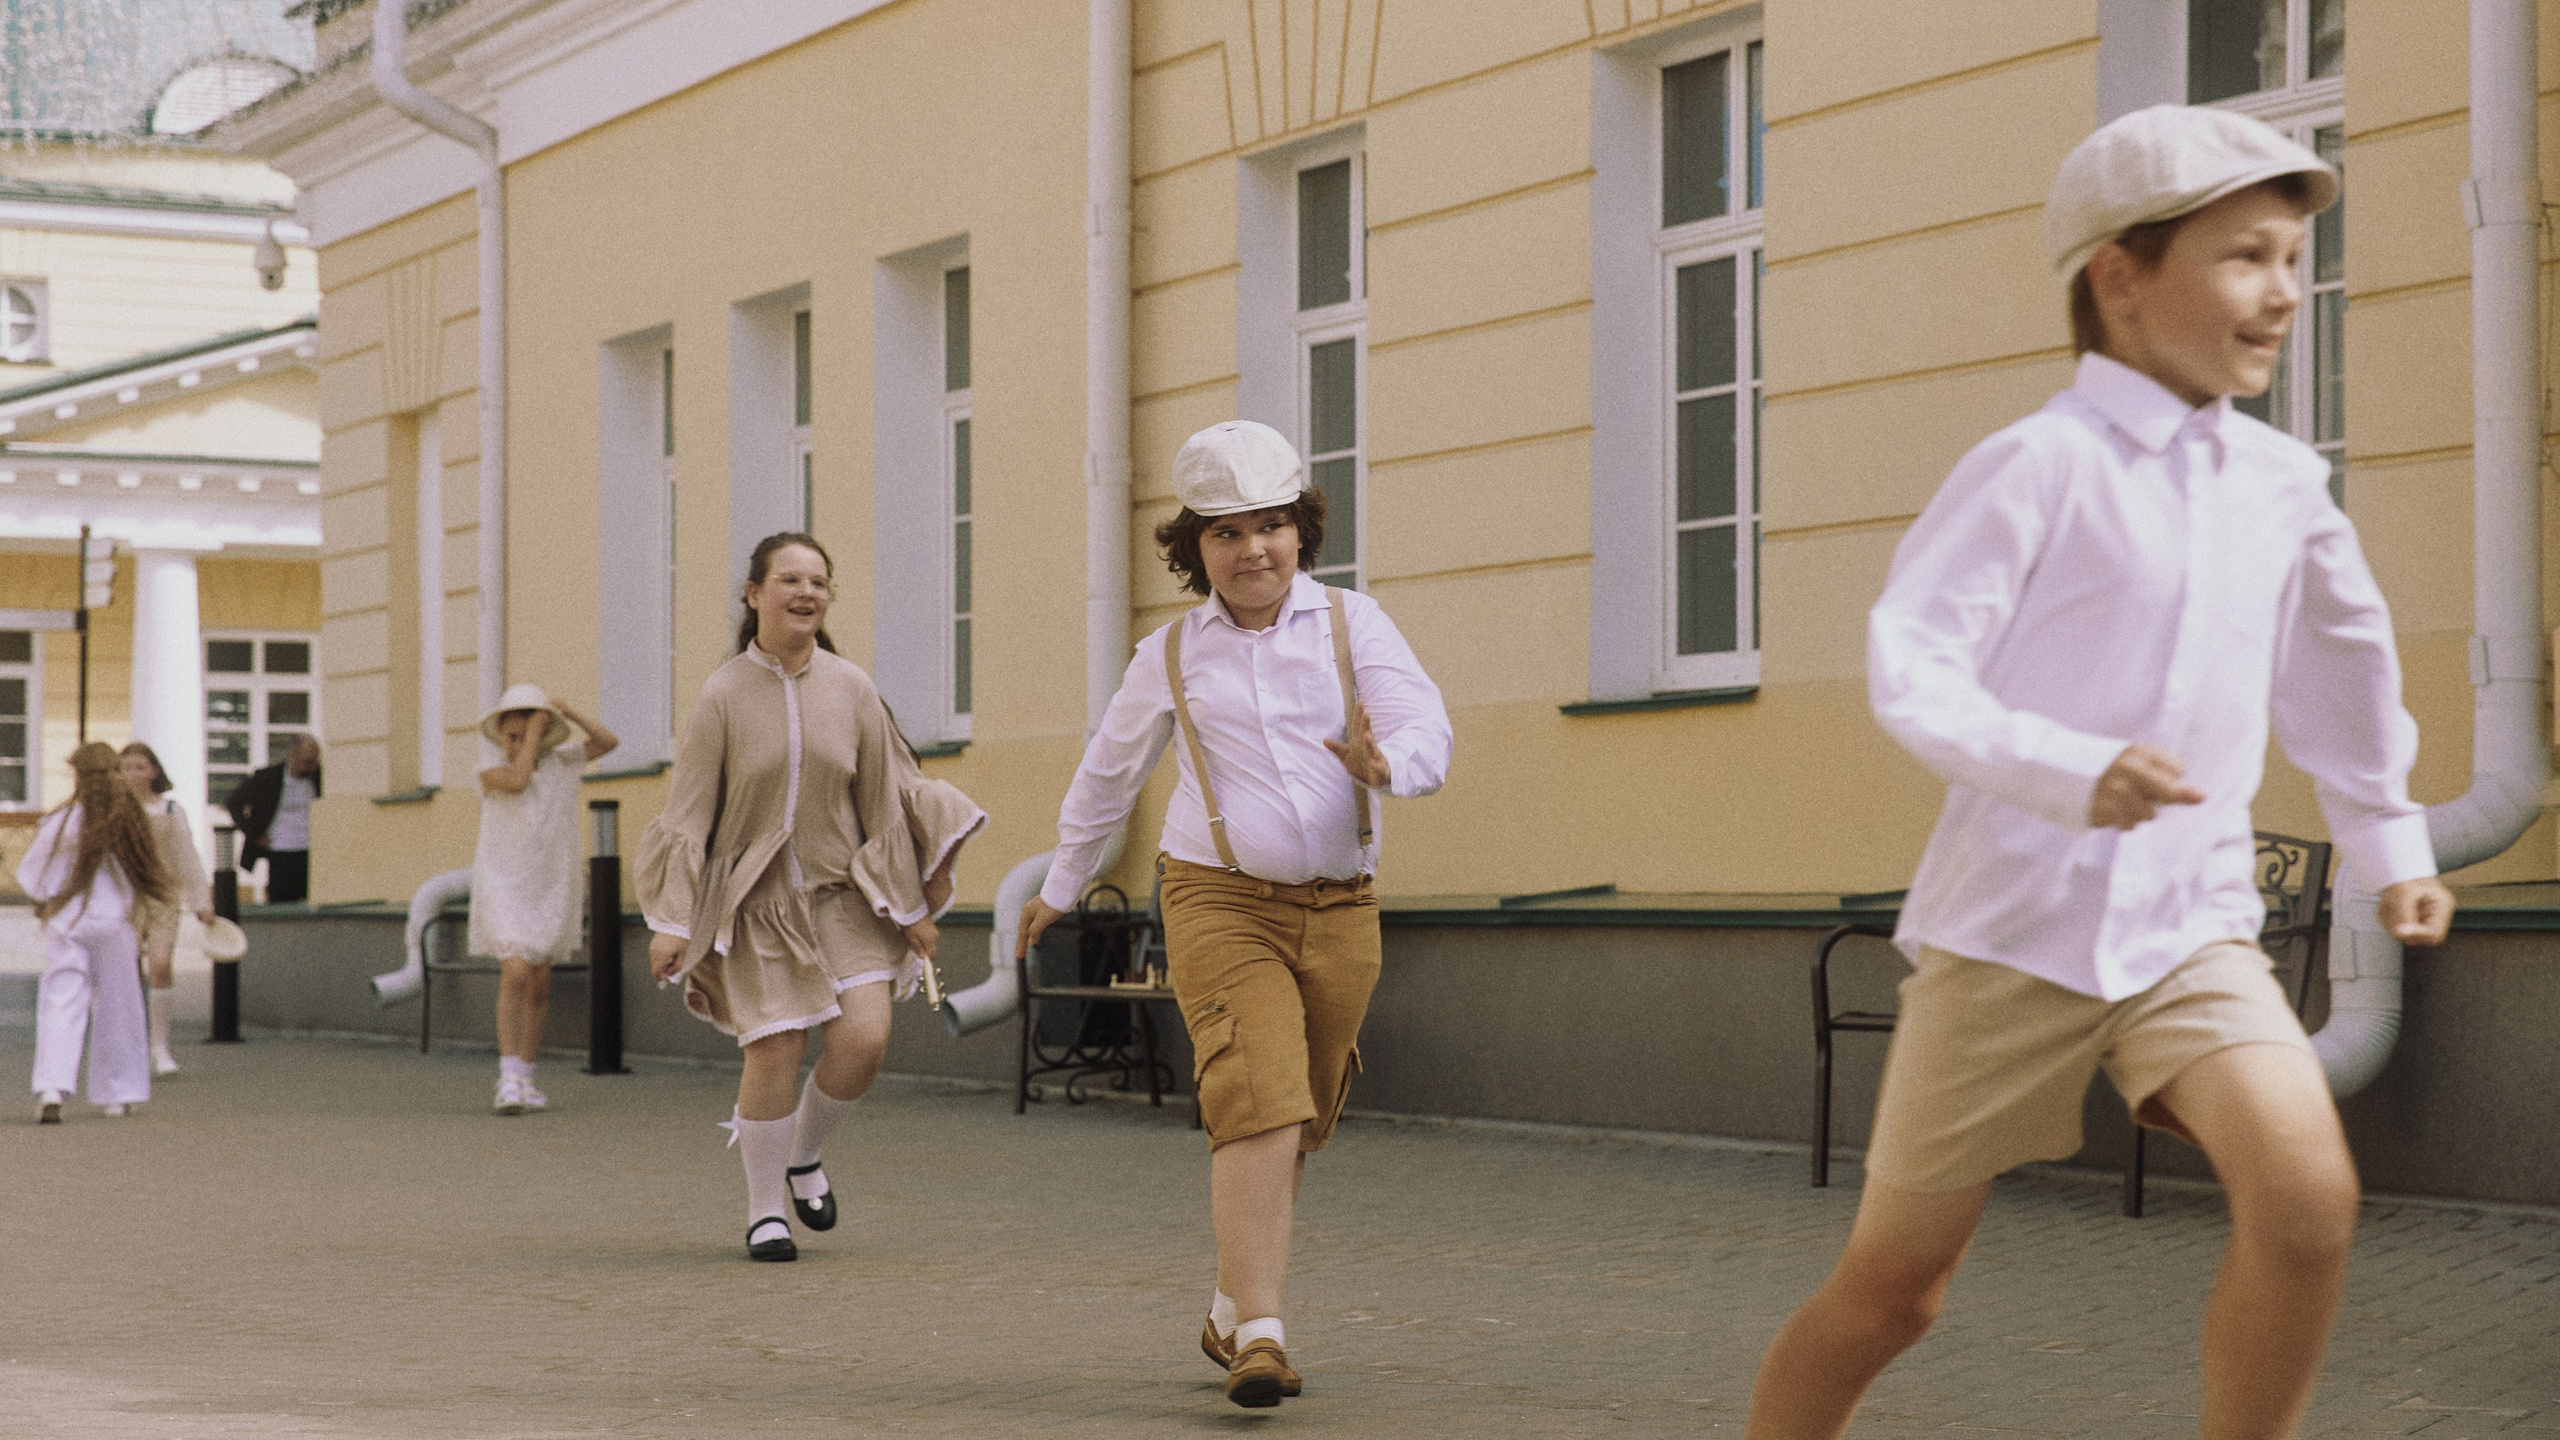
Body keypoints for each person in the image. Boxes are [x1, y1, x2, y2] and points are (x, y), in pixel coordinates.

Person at [1743, 106, 2457, 1440]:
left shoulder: (2285, 484)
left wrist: (2392, 845)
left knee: (2307, 1204)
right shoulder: (2035, 468)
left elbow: (2343, 673)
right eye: (2246, 256)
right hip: (2014, 931)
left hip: (2190, 929)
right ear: (2119, 277)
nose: (2286, 291)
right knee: (1898, 1294)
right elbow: (1914, 666)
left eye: (2296, 257)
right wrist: (2069, 768)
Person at [1018, 421, 1453, 1409]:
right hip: (1216, 897)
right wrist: (1058, 887)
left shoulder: (1354, 624)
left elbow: (1422, 719)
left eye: (1270, 526)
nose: (1252, 549)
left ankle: (1227, 1303)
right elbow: (1108, 774)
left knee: (1299, 1112)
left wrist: (1393, 766)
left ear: (1301, 530)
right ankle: (1262, 1335)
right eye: (1226, 532)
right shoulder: (1169, 654)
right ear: (1194, 548)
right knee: (1255, 1092)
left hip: (1341, 907)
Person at [641, 531, 985, 1262]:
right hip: (758, 907)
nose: (805, 593)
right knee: (775, 1049)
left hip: (843, 899)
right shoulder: (723, 694)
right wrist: (671, 920)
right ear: (754, 593)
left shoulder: (851, 686)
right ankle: (765, 1212)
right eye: (789, 579)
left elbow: (889, 798)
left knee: (864, 1038)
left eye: (818, 582)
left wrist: (914, 909)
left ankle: (803, 1156)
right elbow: (690, 811)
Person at [472, 683, 618, 1114]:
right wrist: (532, 736)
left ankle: (527, 1077)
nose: (518, 742)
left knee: (539, 979)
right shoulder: (487, 768)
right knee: (515, 970)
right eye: (511, 735)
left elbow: (608, 742)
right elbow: (518, 780)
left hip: (549, 878)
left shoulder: (562, 762)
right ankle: (508, 1076)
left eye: (526, 731)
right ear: (501, 737)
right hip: (504, 879)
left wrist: (567, 711)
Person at [20, 742, 173, 1122]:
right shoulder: (127, 818)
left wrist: (45, 898)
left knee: (61, 1000)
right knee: (120, 1004)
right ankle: (119, 1094)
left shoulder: (60, 821)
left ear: (79, 775)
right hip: (113, 922)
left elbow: (32, 872)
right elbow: (145, 869)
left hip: (66, 920)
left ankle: (52, 1087)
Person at [118, 743, 213, 1075]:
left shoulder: (171, 810)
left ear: (154, 771)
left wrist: (201, 902)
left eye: (140, 767)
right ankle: (131, 1046)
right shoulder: (115, 811)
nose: (133, 774)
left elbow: (188, 858)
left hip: (163, 897)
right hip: (125, 898)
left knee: (159, 965)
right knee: (124, 972)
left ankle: (160, 1046)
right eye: (126, 767)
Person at [225, 734, 322, 903]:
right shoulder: (268, 778)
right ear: (292, 755)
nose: (311, 767)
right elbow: (234, 802)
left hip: (312, 850)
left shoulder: (319, 778)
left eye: (314, 762)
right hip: (279, 851)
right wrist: (255, 834)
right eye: (306, 762)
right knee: (281, 901)